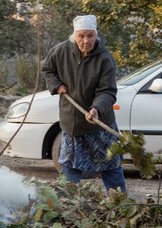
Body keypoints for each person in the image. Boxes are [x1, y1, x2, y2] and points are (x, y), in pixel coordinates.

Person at [41, 14, 126, 193]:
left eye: (90, 36)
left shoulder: (104, 59)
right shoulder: (60, 51)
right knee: (69, 166)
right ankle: (70, 203)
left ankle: (120, 202)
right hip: (71, 122)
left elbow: (108, 91)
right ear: (74, 36)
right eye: (81, 36)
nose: (86, 41)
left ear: (96, 35)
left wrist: (96, 109)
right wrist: (57, 85)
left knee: (110, 165)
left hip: (98, 123)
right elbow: (47, 69)